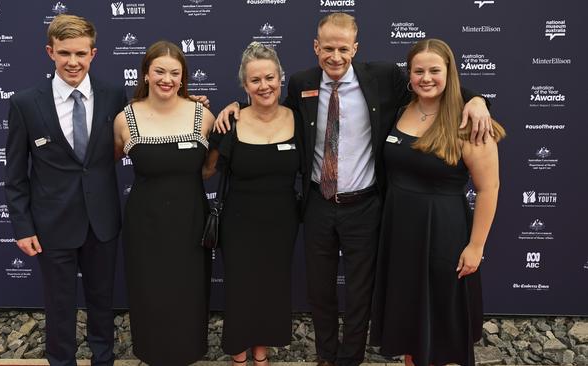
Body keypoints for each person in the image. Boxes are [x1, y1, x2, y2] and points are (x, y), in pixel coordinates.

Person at [214, 13, 492, 366]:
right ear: (316, 47)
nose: (335, 56)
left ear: (355, 48)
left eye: (343, 48)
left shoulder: (382, 78)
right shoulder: (301, 83)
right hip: (317, 202)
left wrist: (478, 99)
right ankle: (326, 357)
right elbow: (266, 107)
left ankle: (350, 359)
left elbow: (436, 84)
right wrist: (234, 107)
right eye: (327, 48)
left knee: (361, 294)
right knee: (320, 292)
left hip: (365, 206)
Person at [369, 38, 505, 366]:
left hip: (445, 234)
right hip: (400, 234)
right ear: (409, 75)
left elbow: (489, 188)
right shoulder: (401, 110)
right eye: (418, 71)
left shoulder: (470, 121)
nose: (426, 78)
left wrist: (476, 246)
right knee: (409, 323)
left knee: (440, 324)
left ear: (449, 72)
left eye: (434, 70)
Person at [4, 14, 126, 366]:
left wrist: (195, 102)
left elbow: (154, 113)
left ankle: (103, 359)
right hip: (51, 223)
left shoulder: (113, 95)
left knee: (102, 301)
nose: (73, 62)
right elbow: (14, 173)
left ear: (93, 54)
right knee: (59, 304)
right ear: (50, 52)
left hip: (102, 221)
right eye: (64, 53)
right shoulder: (26, 103)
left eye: (80, 53)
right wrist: (22, 227)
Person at [113, 40, 214, 366]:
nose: (166, 79)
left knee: (189, 294)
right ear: (145, 74)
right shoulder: (124, 119)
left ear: (183, 77)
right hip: (145, 226)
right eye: (159, 71)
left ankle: (187, 354)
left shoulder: (204, 116)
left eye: (175, 73)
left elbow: (210, 167)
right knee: (150, 294)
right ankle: (153, 355)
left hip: (191, 223)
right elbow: (100, 167)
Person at [205, 42, 302, 366]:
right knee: (241, 290)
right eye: (256, 80)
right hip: (239, 223)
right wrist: (200, 110)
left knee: (272, 288)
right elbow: (206, 170)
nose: (265, 86)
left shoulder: (299, 119)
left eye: (270, 77)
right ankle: (238, 355)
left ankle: (261, 355)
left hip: (282, 222)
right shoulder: (229, 122)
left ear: (281, 78)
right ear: (245, 86)